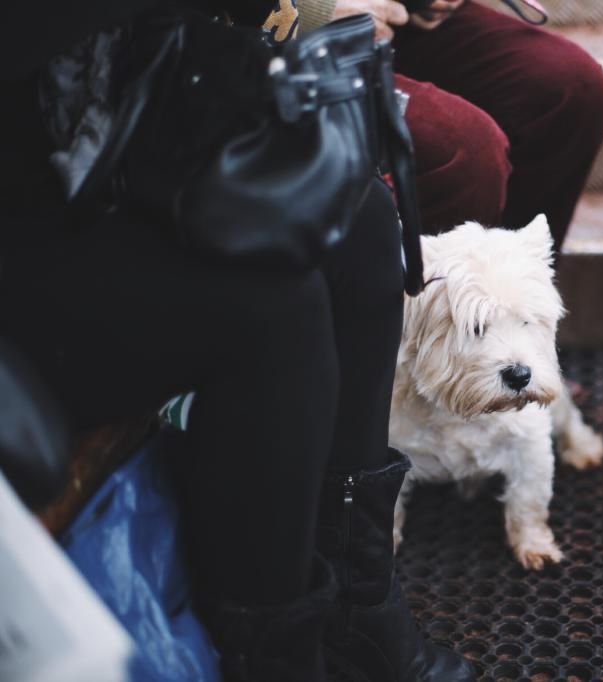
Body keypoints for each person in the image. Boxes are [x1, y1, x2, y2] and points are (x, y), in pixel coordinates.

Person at [0, 1, 473, 680]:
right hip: (23, 241)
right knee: (269, 309)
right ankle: (277, 658)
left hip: (84, 163)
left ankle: (356, 610)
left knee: (360, 221)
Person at [290, 0, 603, 255]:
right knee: (464, 149)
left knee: (571, 89)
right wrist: (312, 9)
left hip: (400, 24)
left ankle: (515, 309)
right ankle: (429, 325)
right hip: (275, 39)